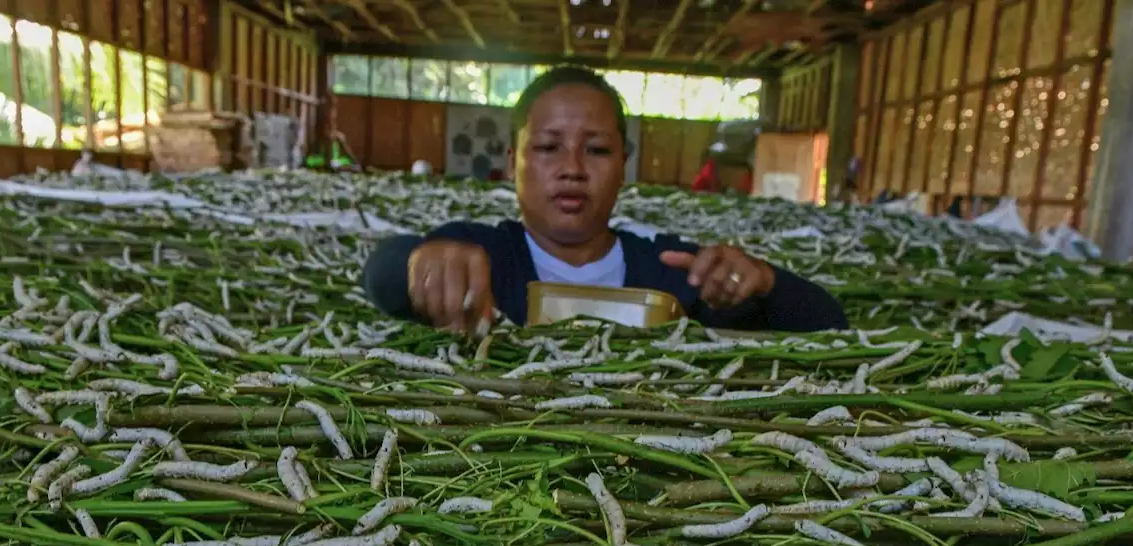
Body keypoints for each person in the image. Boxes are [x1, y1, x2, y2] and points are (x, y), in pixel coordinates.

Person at [362, 66, 847, 334]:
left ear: (623, 164)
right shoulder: (483, 256)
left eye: (596, 150)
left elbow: (827, 322)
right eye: (548, 147)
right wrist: (420, 262)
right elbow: (383, 277)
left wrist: (761, 281)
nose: (572, 169)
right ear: (513, 163)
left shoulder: (670, 269)